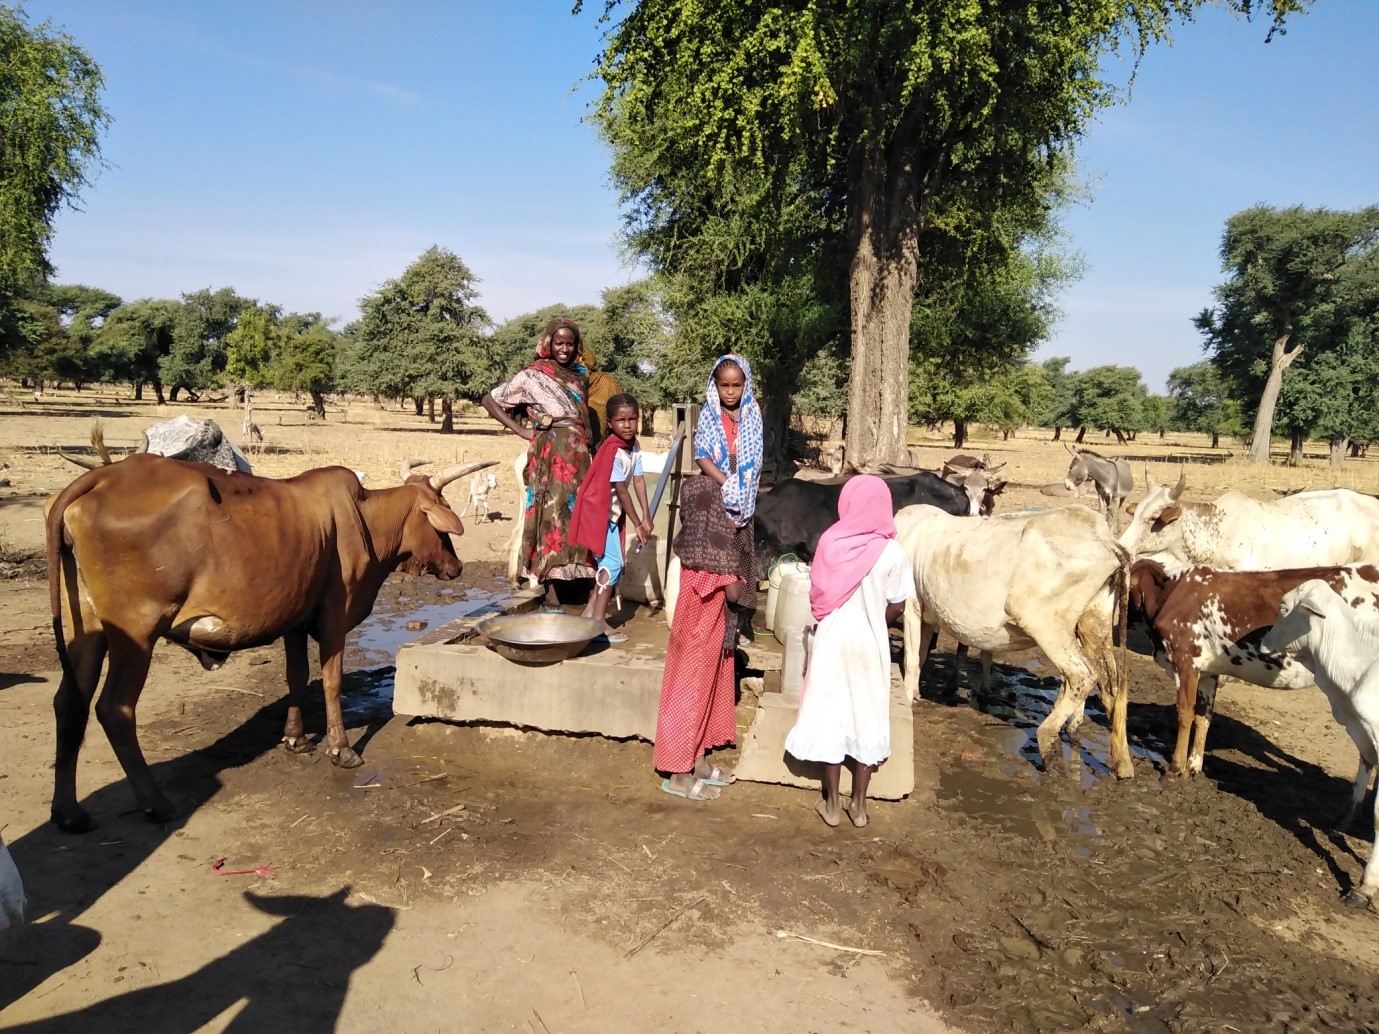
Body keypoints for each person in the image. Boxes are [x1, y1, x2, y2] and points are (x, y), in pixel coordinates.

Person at [784, 474, 914, 828]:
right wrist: (873, 618)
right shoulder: (893, 551)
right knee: (866, 716)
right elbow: (898, 606)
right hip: (869, 643)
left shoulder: (831, 542)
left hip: (832, 640)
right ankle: (859, 807)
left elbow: (818, 597)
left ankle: (831, 806)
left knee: (831, 713)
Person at [481, 316, 595, 609]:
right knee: (551, 516)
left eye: (570, 344)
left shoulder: (581, 375)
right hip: (549, 455)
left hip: (579, 456)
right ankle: (551, 588)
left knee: (577, 515)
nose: (565, 349)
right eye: (560, 343)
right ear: (548, 343)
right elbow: (490, 400)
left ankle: (576, 580)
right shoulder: (532, 375)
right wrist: (521, 430)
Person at [653, 474, 745, 801]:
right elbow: (733, 593)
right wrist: (737, 564)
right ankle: (679, 774)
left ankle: (699, 761)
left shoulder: (689, 542)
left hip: (695, 633)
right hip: (700, 637)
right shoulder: (716, 547)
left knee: (703, 697)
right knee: (690, 698)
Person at [569, 393, 653, 643]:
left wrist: (647, 516)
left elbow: (638, 480)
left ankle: (590, 613)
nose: (628, 425)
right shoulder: (613, 452)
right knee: (613, 564)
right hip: (598, 514)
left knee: (610, 564)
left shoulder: (633, 446)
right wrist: (637, 523)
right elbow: (622, 490)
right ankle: (598, 622)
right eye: (621, 420)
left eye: (633, 419)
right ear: (610, 424)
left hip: (611, 515)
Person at [693, 354, 763, 641]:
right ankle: (715, 616)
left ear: (745, 385)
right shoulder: (709, 413)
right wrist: (726, 484)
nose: (731, 392)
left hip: (745, 488)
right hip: (716, 484)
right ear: (716, 385)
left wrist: (742, 486)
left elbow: (756, 454)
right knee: (718, 552)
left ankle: (741, 617)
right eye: (725, 386)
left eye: (736, 385)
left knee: (743, 552)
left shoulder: (752, 412)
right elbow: (702, 455)